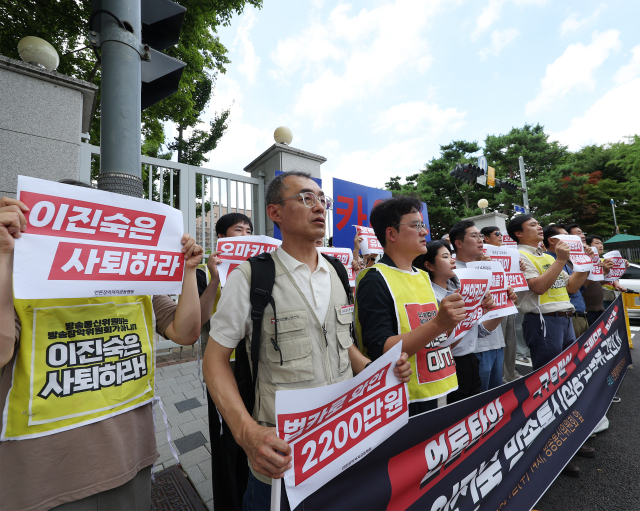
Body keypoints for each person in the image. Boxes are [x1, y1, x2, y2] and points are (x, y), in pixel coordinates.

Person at [202, 171, 412, 511]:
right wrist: (248, 433)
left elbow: (345, 345)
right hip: (282, 457)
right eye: (305, 198)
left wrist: (379, 371)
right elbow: (213, 360)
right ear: (275, 213)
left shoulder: (338, 272)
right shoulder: (251, 277)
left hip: (343, 442)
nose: (319, 207)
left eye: (321, 200)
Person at [0, 186, 204, 510]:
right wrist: (3, 257)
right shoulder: (20, 279)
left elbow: (185, 332)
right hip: (45, 476)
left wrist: (189, 270)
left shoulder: (133, 277)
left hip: (132, 456)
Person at [356, 196, 467, 415]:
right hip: (404, 400)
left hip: (439, 387)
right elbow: (380, 349)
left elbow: (439, 336)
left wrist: (462, 314)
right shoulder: (374, 279)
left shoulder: (423, 276)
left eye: (423, 225)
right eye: (416, 225)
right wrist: (438, 324)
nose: (424, 232)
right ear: (391, 233)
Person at [415, 240, 509, 403]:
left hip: (471, 361)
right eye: (445, 257)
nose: (452, 260)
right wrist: (465, 314)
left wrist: (502, 307)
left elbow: (480, 331)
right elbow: (441, 343)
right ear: (429, 266)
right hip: (448, 364)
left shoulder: (460, 292)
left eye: (451, 256)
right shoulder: (428, 299)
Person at [449, 220, 516, 391]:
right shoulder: (450, 272)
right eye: (474, 236)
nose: (480, 240)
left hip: (496, 342)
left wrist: (508, 297)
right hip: (472, 349)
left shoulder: (492, 268)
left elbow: (508, 298)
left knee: (494, 400)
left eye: (480, 236)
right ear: (458, 243)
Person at [543, 225, 594, 338]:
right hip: (568, 316)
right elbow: (570, 289)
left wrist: (585, 261)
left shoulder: (565, 259)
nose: (571, 239)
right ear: (551, 240)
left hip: (580, 315)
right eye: (565, 236)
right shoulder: (548, 261)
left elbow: (579, 287)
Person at [583, 235, 615, 326]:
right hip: (588, 308)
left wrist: (619, 268)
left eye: (601, 243)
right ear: (588, 245)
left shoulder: (602, 261)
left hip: (599, 306)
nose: (600, 245)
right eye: (597, 243)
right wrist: (604, 272)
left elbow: (599, 281)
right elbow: (586, 282)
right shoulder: (584, 261)